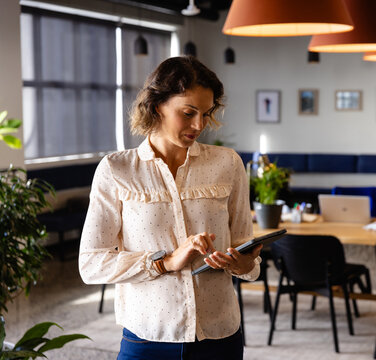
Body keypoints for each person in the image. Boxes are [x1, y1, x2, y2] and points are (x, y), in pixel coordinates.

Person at [79, 56, 262, 360]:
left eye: (206, 113)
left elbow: (245, 247)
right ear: (156, 106)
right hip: (147, 338)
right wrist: (165, 262)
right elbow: (91, 263)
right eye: (188, 112)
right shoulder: (117, 169)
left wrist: (242, 264)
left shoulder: (228, 163)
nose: (199, 125)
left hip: (220, 336)